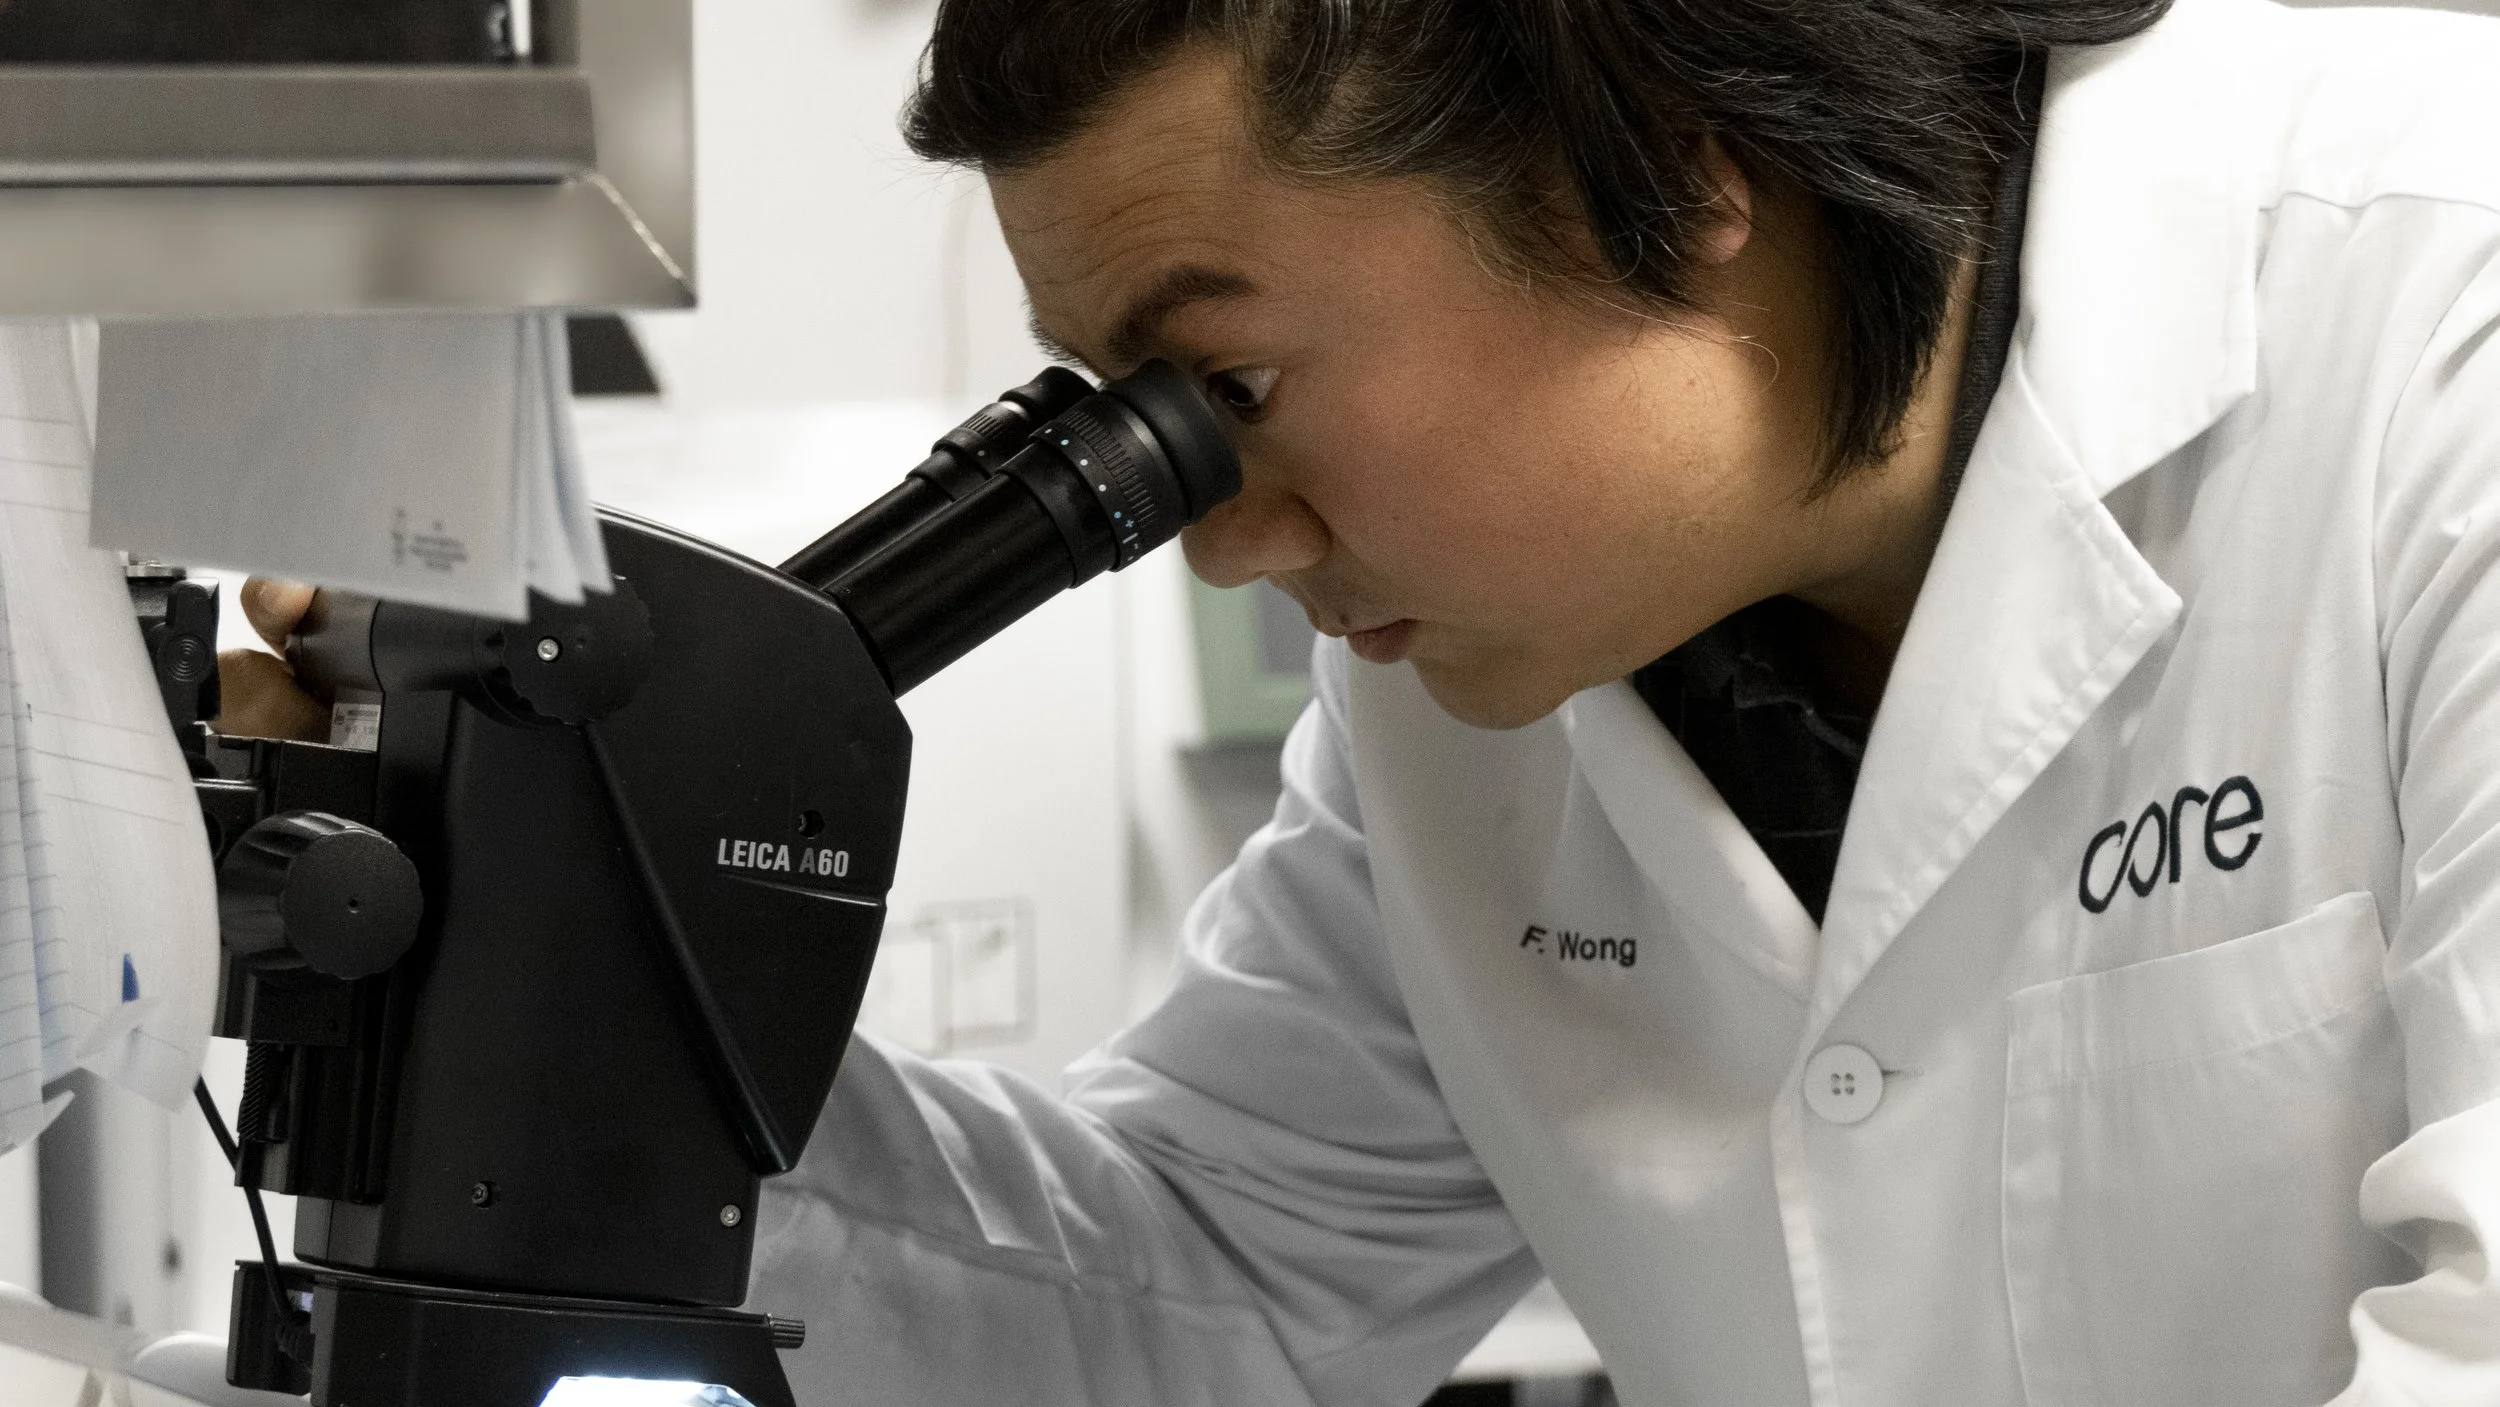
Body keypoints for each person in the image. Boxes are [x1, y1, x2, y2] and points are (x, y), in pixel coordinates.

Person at [223, 0, 2500, 1400]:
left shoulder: (2436, 333)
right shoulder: (1496, 669)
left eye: (1221, 387)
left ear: (1673, 160)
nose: (1214, 528)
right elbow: (1218, 1290)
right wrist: (560, 980)